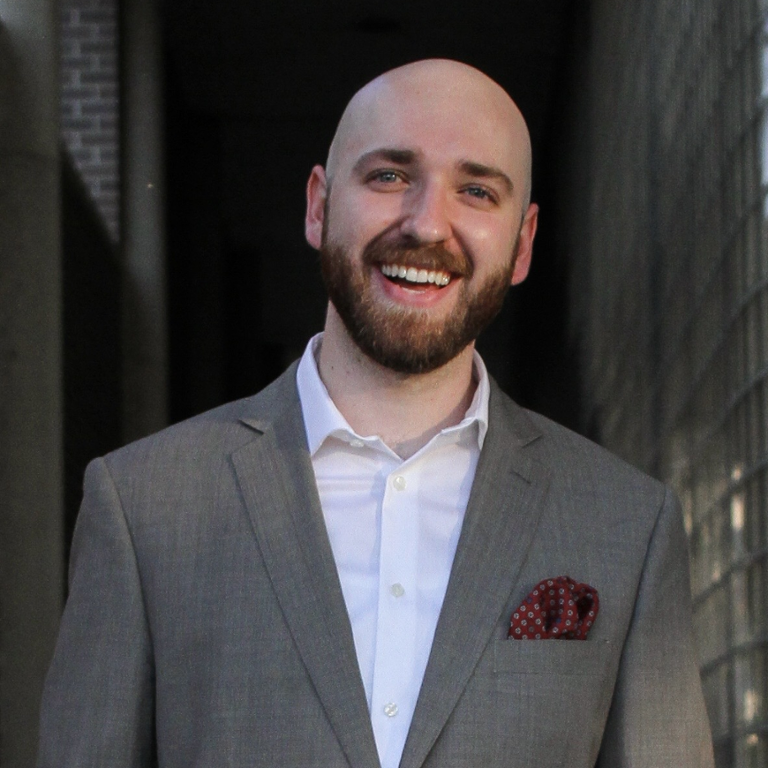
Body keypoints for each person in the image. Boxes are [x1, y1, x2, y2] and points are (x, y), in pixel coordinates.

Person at [38, 59, 714, 768]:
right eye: (390, 176)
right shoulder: (143, 505)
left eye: (477, 190)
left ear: (521, 244)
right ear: (317, 205)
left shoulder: (627, 526)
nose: (427, 224)